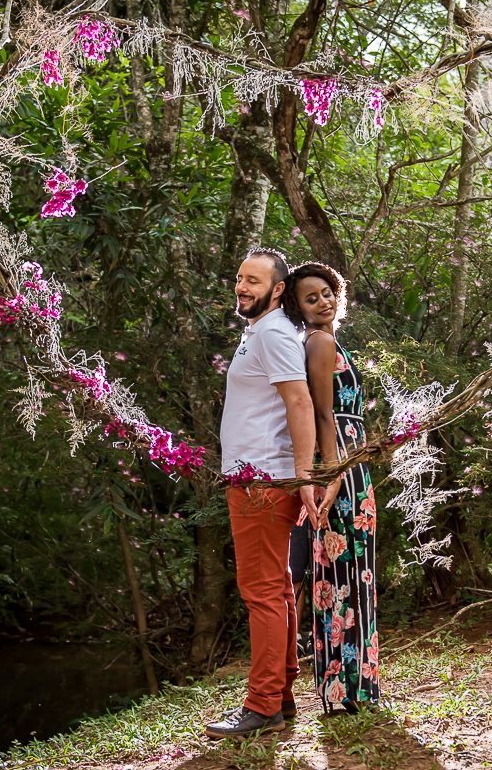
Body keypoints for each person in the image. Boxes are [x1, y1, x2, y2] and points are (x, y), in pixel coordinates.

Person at [204, 248, 323, 739]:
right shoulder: (262, 331)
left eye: (253, 280)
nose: (242, 286)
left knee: (262, 593)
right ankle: (281, 696)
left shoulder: (273, 333)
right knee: (277, 588)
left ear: (277, 290)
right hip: (259, 479)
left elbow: (300, 402)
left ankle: (262, 706)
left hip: (263, 483)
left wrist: (303, 475)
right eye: (239, 278)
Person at [282, 261, 379, 714]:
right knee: (343, 573)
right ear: (298, 308)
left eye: (327, 292)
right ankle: (346, 690)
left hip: (349, 458)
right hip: (340, 461)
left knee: (348, 572)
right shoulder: (319, 342)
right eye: (311, 297)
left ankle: (349, 687)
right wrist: (333, 473)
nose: (323, 301)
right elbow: (323, 414)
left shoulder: (327, 340)